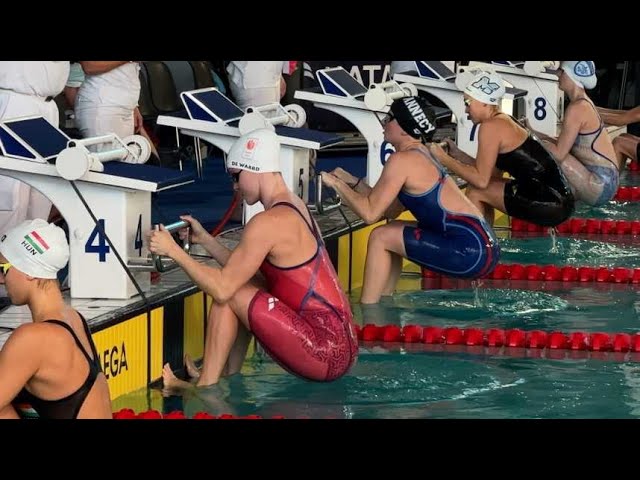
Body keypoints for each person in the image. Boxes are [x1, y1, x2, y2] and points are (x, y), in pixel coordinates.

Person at [147, 128, 358, 389]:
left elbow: (224, 288)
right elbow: (255, 275)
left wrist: (174, 251)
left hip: (322, 352)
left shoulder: (267, 222)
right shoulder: (294, 205)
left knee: (229, 292)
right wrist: (207, 241)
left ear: (253, 168)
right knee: (242, 287)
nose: (235, 186)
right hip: (341, 348)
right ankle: (222, 378)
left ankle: (205, 388)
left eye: (236, 176)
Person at [321, 95, 500, 305]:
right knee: (391, 232)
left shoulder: (402, 160)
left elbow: (370, 214)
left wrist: (336, 185)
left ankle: (366, 312)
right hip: (483, 247)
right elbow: (390, 210)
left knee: (381, 236)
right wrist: (351, 180)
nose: (385, 123)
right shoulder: (420, 153)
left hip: (469, 249)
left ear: (405, 128)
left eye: (391, 118)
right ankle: (382, 305)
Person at [429, 70, 574, 228]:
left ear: (484, 102)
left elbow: (481, 180)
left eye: (468, 102)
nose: (465, 110)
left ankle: (481, 245)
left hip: (550, 202)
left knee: (477, 191)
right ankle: (488, 243)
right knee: (481, 189)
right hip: (560, 200)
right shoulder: (503, 120)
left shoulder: (490, 127)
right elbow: (488, 173)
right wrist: (458, 154)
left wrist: (444, 159)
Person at [0, 219, 112, 419]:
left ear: (29, 271)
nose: (1, 278)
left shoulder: (34, 338)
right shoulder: (73, 318)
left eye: (3, 268)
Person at [533, 61, 619, 206]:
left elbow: (559, 154)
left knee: (547, 152)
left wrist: (530, 140)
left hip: (599, 184)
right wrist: (533, 132)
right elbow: (561, 143)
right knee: (549, 145)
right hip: (607, 181)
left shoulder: (577, 108)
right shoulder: (584, 102)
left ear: (570, 76)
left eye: (562, 71)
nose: (559, 75)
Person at [0, 61, 69, 236]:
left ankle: (27, 260)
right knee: (12, 195)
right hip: (16, 102)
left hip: (48, 107)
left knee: (41, 196)